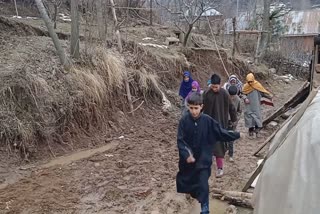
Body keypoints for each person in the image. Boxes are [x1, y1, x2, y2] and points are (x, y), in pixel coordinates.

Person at [176, 92, 241, 214]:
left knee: (203, 184)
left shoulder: (208, 121)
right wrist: (187, 154)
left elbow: (220, 132)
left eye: (196, 108)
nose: (194, 111)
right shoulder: (184, 121)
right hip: (188, 163)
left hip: (203, 160)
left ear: (201, 107)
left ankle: (205, 209)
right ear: (188, 107)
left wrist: (236, 134)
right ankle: (196, 197)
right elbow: (180, 140)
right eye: (191, 108)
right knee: (191, 186)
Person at [203, 74, 237, 178]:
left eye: (216, 87)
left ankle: (220, 168)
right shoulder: (206, 93)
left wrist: (234, 119)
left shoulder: (225, 94)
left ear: (220, 85)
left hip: (221, 124)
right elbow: (201, 106)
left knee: (219, 148)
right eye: (212, 86)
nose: (214, 89)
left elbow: (232, 108)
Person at [242, 73, 273, 138]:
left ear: (253, 79)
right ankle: (250, 132)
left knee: (257, 118)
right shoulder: (245, 86)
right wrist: (245, 98)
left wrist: (269, 96)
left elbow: (263, 92)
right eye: (249, 82)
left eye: (251, 81)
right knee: (249, 118)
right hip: (249, 106)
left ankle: (257, 132)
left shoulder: (257, 85)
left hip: (256, 106)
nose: (250, 83)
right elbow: (243, 93)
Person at [227, 85, 242, 162]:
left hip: (233, 122)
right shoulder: (225, 98)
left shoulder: (238, 100)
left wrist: (236, 120)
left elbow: (239, 111)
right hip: (224, 120)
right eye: (230, 96)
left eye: (233, 96)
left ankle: (231, 154)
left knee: (231, 138)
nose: (231, 97)